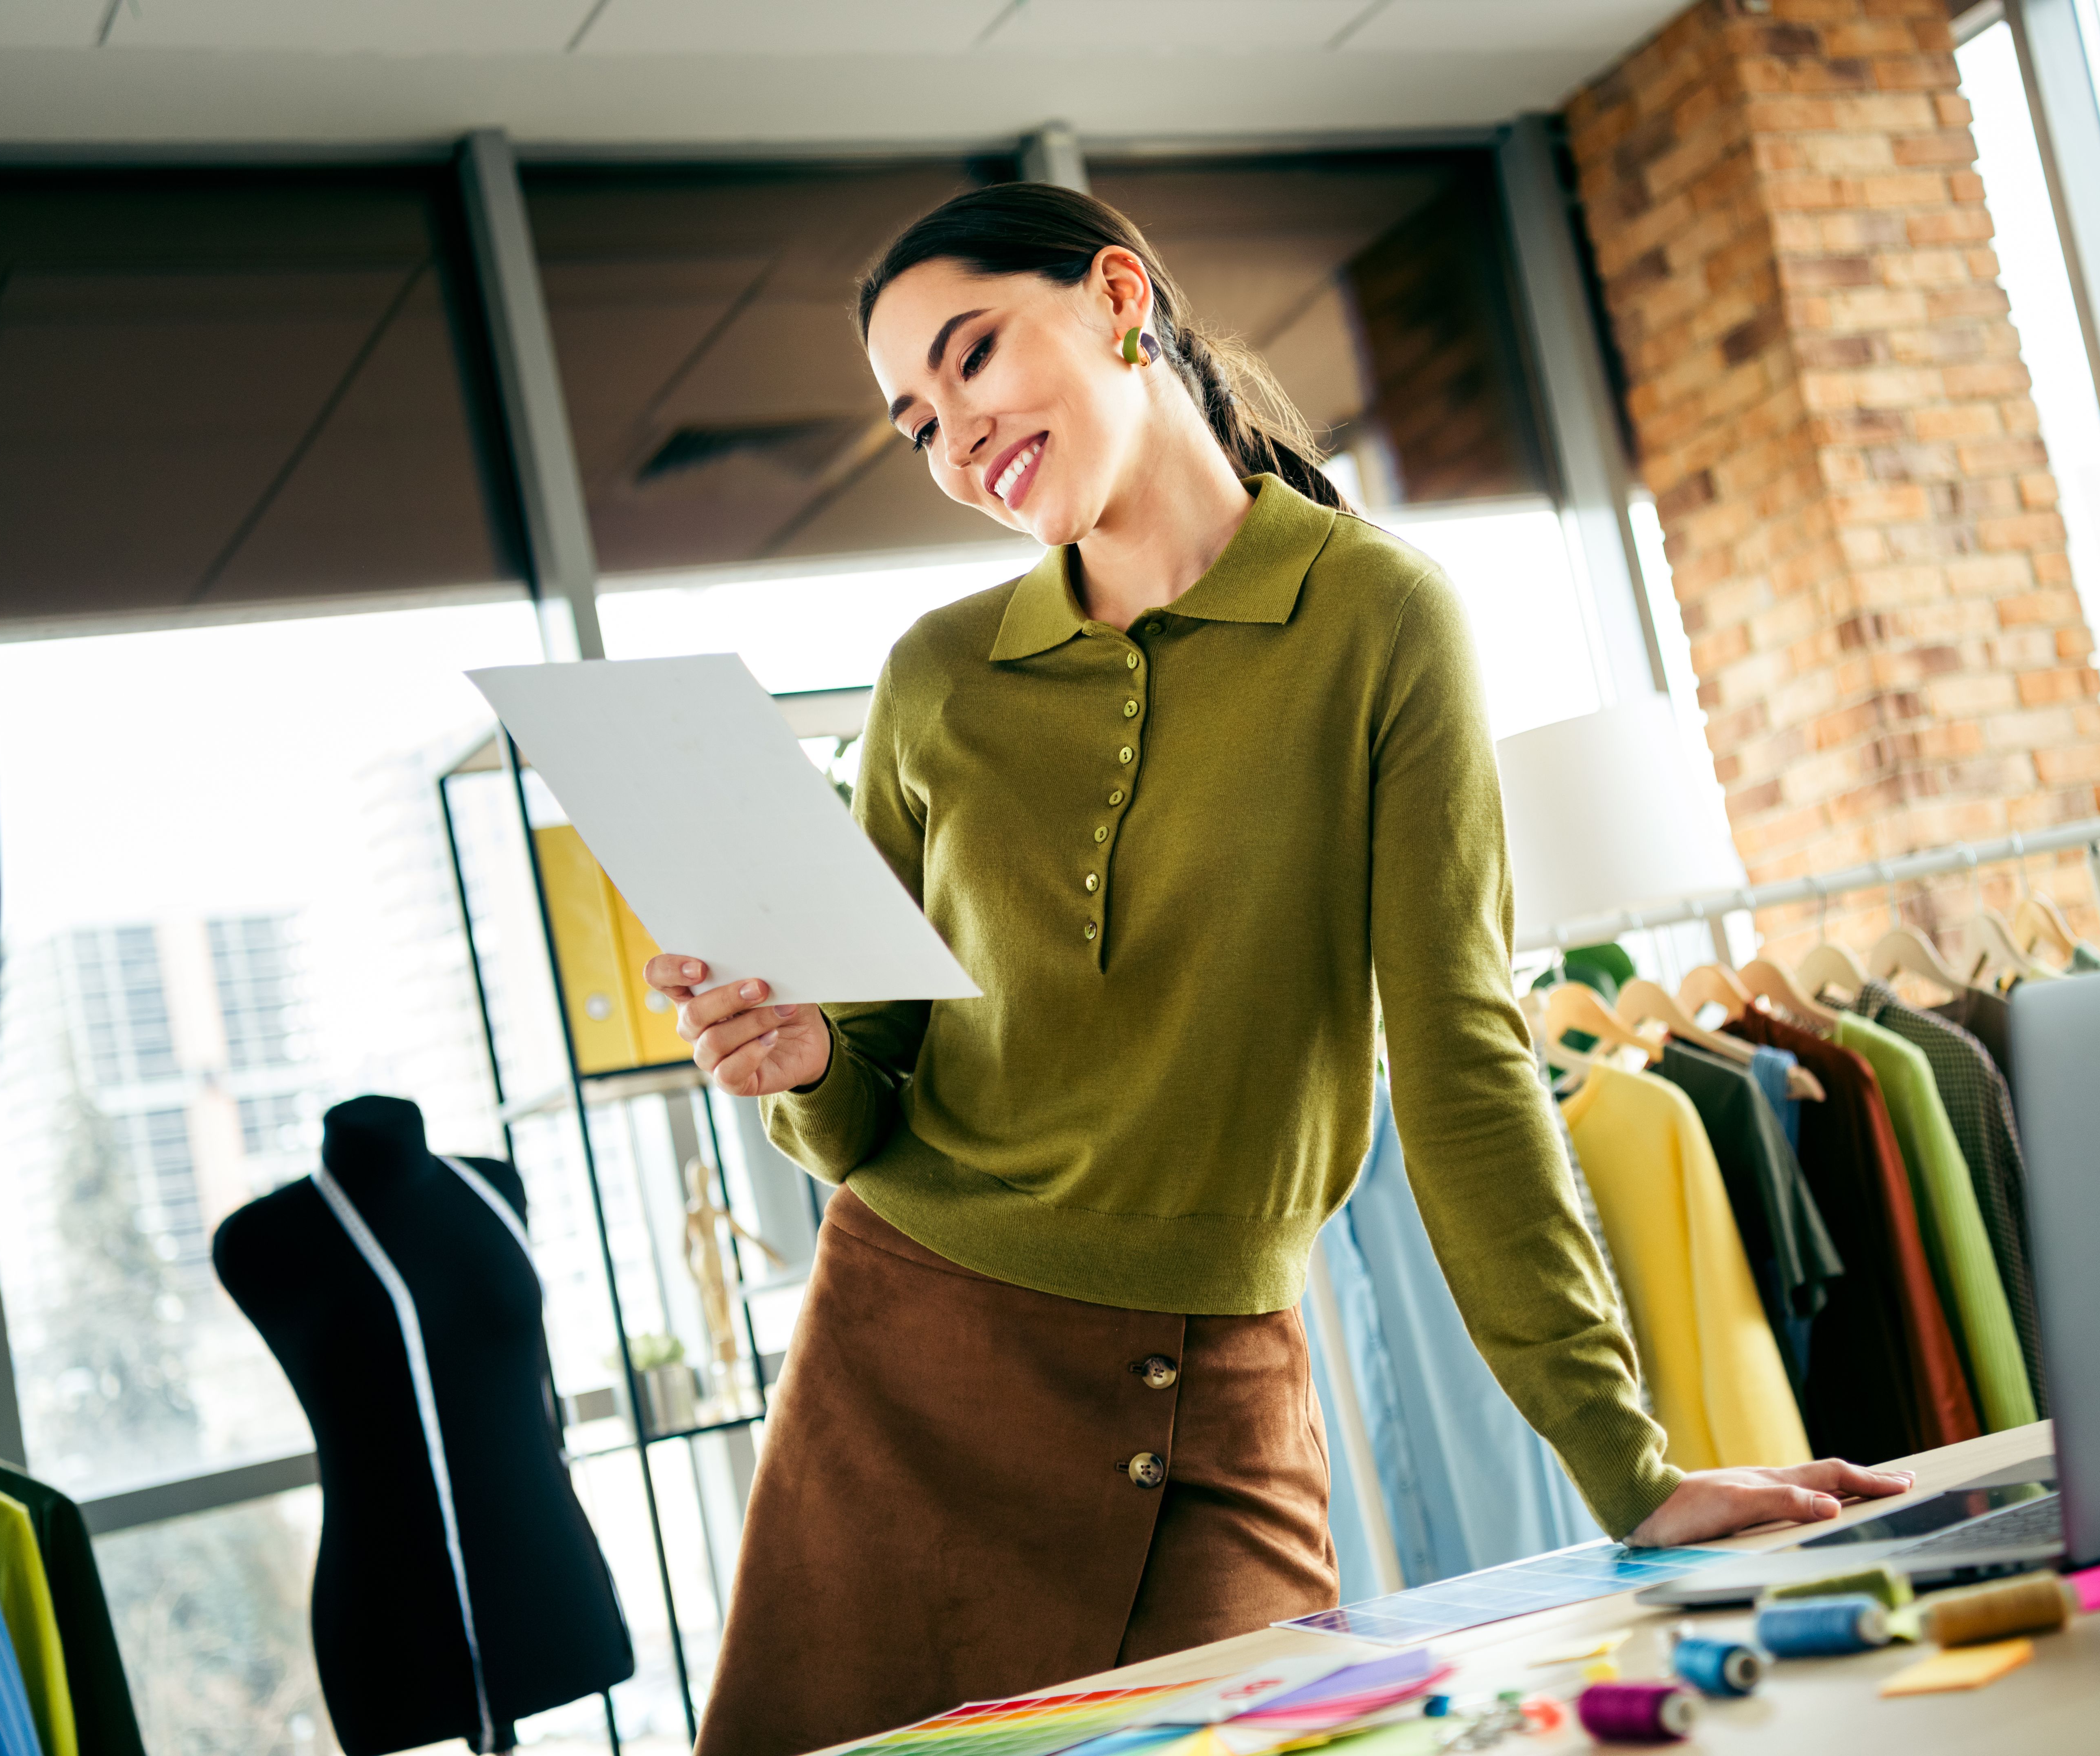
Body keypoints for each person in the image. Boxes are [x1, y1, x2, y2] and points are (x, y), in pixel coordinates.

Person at [648, 184, 1909, 1756]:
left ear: (1120, 296)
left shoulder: (1378, 620)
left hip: (1221, 1391)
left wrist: (1631, 1467)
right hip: (905, 1372)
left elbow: (1461, 1062)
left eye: (973, 360)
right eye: (917, 426)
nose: (957, 438)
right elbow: (868, 1090)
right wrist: (804, 1065)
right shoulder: (936, 680)